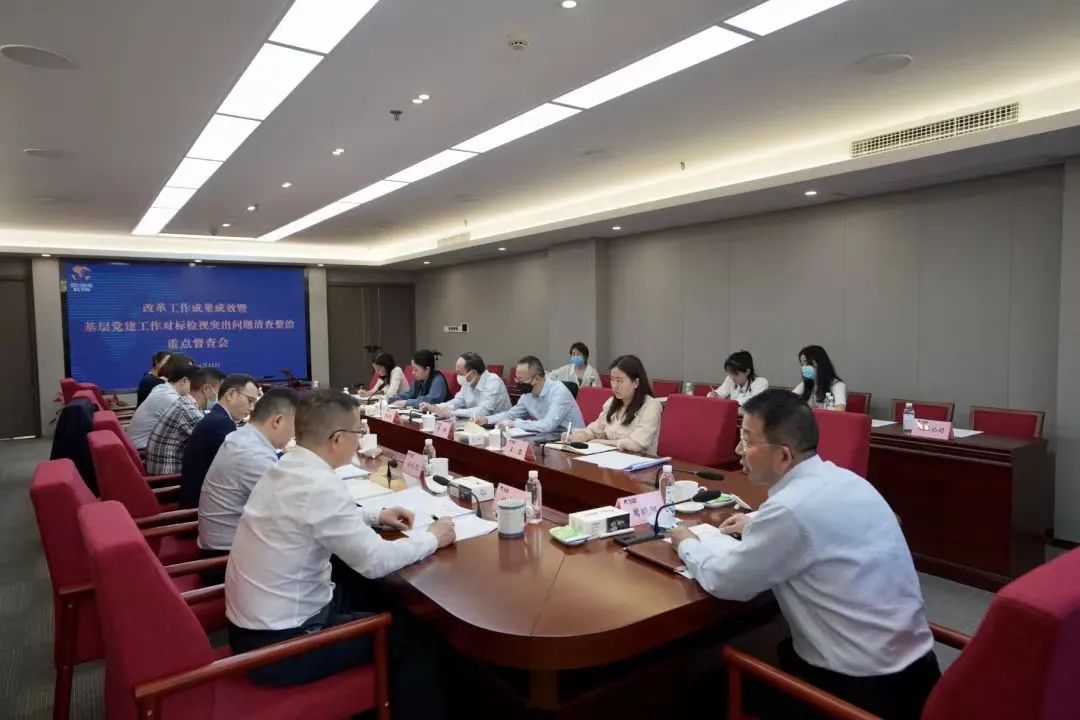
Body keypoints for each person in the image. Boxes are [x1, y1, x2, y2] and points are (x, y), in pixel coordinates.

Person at [669, 390, 939, 720]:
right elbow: (819, 521)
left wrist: (687, 542)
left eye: (747, 439)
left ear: (783, 456)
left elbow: (726, 582)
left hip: (855, 695)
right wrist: (756, 521)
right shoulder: (847, 480)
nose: (738, 450)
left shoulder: (789, 511)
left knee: (701, 689)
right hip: (921, 678)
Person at [225, 390, 455, 719]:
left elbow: (313, 516)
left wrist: (376, 515)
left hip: (256, 628)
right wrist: (433, 538)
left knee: (371, 592)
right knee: (413, 634)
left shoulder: (287, 466)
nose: (360, 440)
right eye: (358, 432)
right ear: (336, 439)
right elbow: (376, 561)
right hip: (281, 648)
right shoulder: (319, 484)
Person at [197, 388, 299, 583]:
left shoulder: (242, 436)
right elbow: (293, 513)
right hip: (226, 562)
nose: (295, 434)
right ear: (278, 421)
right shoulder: (253, 454)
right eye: (296, 426)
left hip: (228, 548)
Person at [178, 373, 260, 509]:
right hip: (202, 507)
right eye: (249, 401)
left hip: (203, 497)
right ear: (231, 394)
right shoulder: (221, 424)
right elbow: (245, 467)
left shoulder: (218, 417)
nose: (251, 408)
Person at [565, 355, 663, 454]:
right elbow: (595, 430)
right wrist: (579, 436)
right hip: (612, 458)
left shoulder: (651, 406)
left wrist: (602, 442)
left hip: (641, 460)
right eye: (612, 380)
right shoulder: (611, 402)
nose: (615, 386)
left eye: (619, 381)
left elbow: (636, 445)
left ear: (636, 383)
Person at [144, 368, 225, 475]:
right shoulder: (189, 411)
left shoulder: (185, 402)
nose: (223, 397)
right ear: (206, 389)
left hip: (164, 470)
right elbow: (218, 448)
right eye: (221, 392)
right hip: (170, 478)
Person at [476, 356, 584, 433]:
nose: (518, 383)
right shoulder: (528, 394)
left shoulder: (559, 392)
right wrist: (486, 419)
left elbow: (547, 425)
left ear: (536, 379)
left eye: (521, 379)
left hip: (570, 441)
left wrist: (515, 423)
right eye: (517, 379)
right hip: (546, 437)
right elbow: (511, 415)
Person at [127, 353, 197, 450]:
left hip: (144, 445)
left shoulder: (163, 388)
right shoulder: (168, 397)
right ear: (184, 380)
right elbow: (196, 426)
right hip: (142, 450)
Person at [421, 352, 510, 420]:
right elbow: (456, 402)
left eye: (460, 373)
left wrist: (453, 413)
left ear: (473, 373)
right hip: (475, 423)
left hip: (498, 426)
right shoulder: (469, 381)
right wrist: (435, 407)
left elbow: (484, 411)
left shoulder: (493, 381)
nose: (458, 376)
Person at [792, 345, 847, 410]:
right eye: (802, 364)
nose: (804, 367)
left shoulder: (837, 385)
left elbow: (840, 409)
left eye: (807, 363)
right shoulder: (806, 384)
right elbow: (788, 399)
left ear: (820, 363)